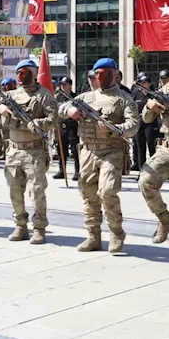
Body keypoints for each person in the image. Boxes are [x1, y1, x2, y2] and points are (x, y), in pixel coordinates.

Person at [59, 58, 138, 253]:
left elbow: (133, 125)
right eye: (97, 74)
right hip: (88, 151)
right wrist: (71, 111)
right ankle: (93, 235)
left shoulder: (124, 99)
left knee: (107, 191)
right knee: (88, 194)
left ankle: (116, 233)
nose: (99, 78)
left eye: (104, 73)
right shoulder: (85, 98)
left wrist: (115, 129)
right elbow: (61, 109)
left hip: (112, 150)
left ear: (115, 75)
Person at [0, 60, 57, 244]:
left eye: (25, 72)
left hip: (34, 150)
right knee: (14, 190)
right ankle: (20, 225)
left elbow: (54, 119)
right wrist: (0, 107)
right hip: (14, 150)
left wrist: (37, 124)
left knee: (37, 191)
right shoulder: (11, 94)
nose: (20, 75)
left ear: (34, 73)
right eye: (18, 72)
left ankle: (39, 227)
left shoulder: (44, 95)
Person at [138, 78, 169, 244]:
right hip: (167, 148)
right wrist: (150, 107)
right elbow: (146, 119)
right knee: (145, 181)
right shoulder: (165, 90)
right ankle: (165, 219)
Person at [54, 77, 80, 181]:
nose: (63, 86)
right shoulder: (58, 98)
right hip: (61, 126)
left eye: (65, 84)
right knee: (61, 149)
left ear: (70, 85)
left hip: (72, 126)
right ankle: (62, 170)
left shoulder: (75, 98)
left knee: (75, 150)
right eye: (61, 84)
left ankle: (77, 171)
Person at [131, 73, 152, 173]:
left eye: (144, 82)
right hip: (139, 124)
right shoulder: (136, 93)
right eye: (141, 82)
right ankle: (141, 171)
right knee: (140, 148)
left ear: (149, 83)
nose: (142, 84)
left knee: (152, 147)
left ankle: (154, 171)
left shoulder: (152, 94)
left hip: (150, 124)